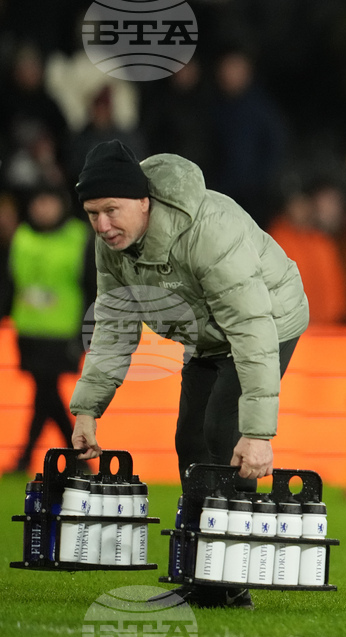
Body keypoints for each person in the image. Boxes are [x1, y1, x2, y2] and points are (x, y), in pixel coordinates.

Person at [68, 140, 309, 608]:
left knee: (223, 431)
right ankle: (202, 575)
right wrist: (87, 410)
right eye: (92, 213)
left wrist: (258, 434)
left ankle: (230, 580)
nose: (102, 225)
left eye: (111, 210)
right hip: (206, 335)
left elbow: (252, 328)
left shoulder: (209, 230)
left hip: (268, 320)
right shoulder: (111, 246)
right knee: (190, 440)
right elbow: (114, 326)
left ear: (143, 201)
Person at [4, 186, 94, 475]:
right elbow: (10, 282)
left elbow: (91, 287)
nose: (43, 208)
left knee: (46, 392)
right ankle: (75, 457)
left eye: (49, 202)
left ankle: (43, 456)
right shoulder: (22, 236)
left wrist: (87, 331)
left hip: (63, 331)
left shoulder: (79, 237)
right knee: (45, 394)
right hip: (28, 329)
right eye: (38, 202)